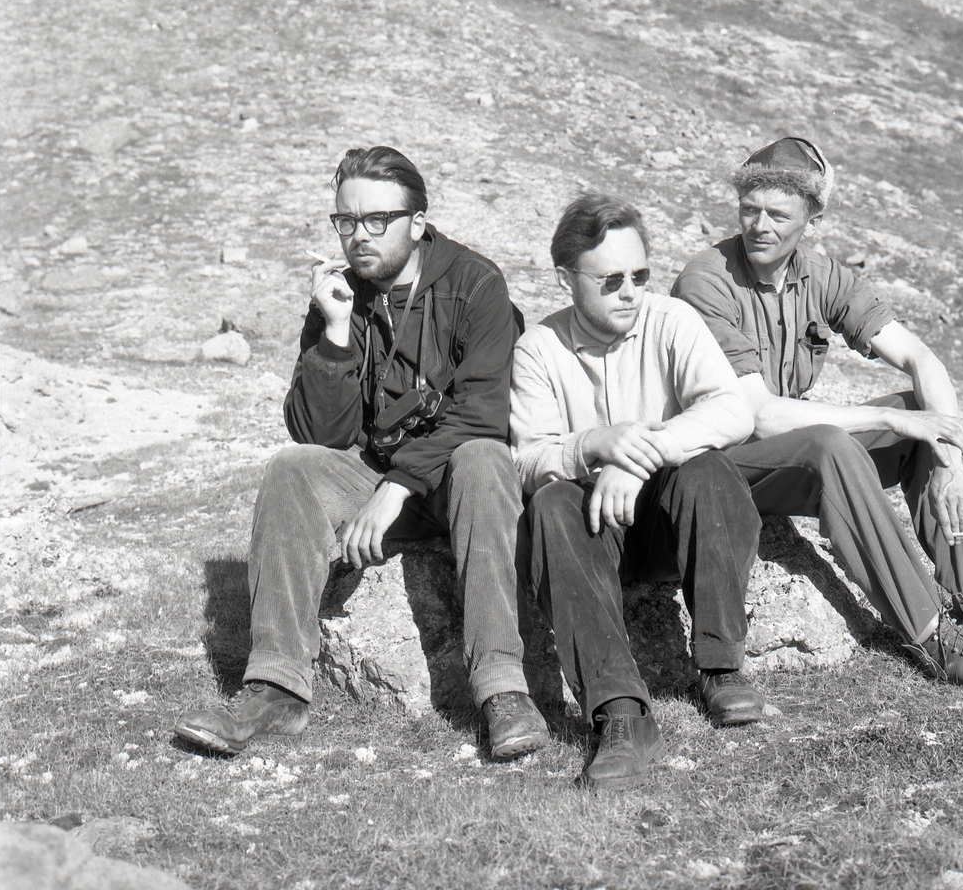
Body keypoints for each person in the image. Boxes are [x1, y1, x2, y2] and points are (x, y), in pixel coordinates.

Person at [175, 146, 548, 759]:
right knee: (291, 470)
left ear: (418, 222)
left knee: (484, 457)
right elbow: (317, 433)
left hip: (454, 480)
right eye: (345, 221)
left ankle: (502, 690)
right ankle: (277, 689)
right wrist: (338, 332)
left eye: (377, 220)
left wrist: (394, 490)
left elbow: (484, 411)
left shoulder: (476, 285)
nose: (359, 236)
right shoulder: (339, 294)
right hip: (374, 471)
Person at [672, 136, 963, 691]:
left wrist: (949, 461)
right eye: (749, 210)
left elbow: (919, 358)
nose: (759, 226)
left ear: (812, 221)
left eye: (778, 214)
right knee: (837, 442)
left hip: (787, 446)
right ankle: (932, 632)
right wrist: (885, 421)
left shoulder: (822, 275)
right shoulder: (706, 280)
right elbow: (758, 416)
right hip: (723, 467)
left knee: (919, 412)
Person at [509, 192, 763, 792]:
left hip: (669, 522)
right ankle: (622, 713)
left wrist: (641, 458)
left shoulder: (670, 319)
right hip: (590, 532)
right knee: (548, 503)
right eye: (612, 279)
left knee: (708, 471)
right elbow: (526, 459)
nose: (630, 291)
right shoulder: (539, 350)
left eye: (641, 275)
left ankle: (722, 667)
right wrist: (596, 443)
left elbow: (732, 411)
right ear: (567, 278)